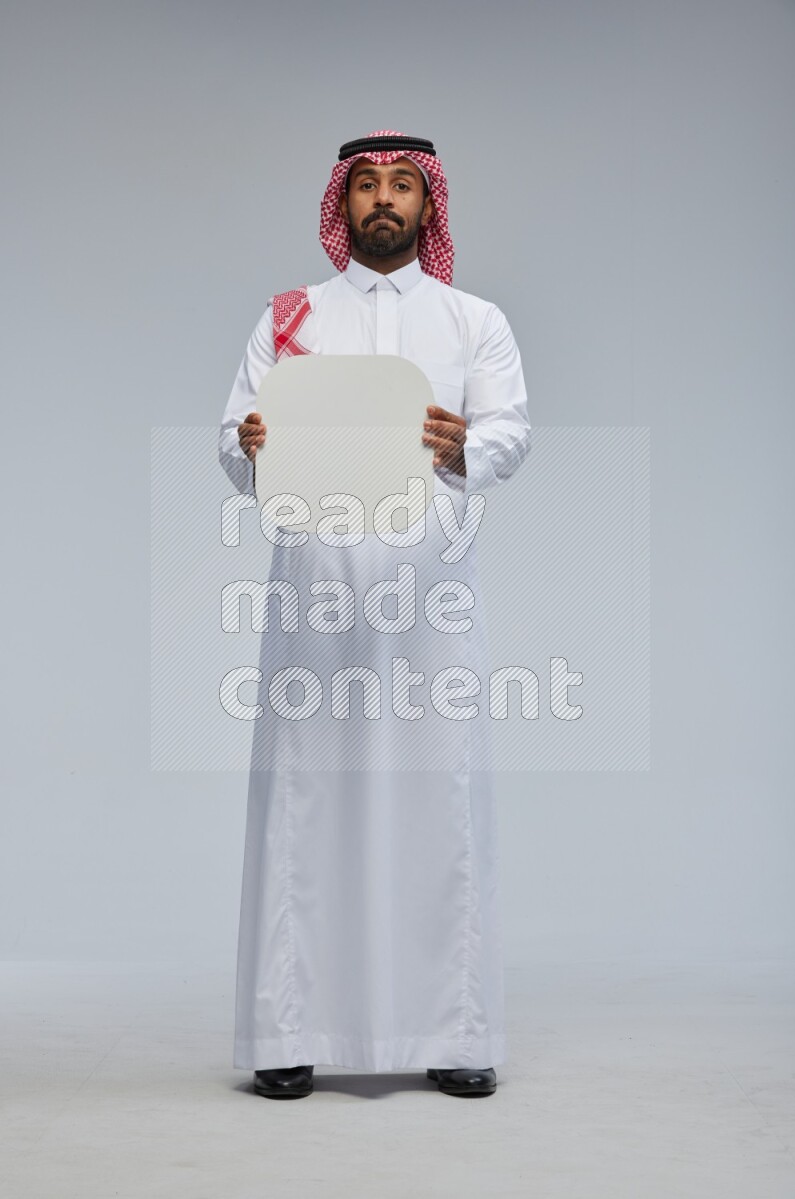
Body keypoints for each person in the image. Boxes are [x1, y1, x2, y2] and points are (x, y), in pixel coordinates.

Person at [218, 130, 531, 1099]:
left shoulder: (473, 320)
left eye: (402, 185)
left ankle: (453, 1027)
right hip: (314, 593)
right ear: (340, 204)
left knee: (436, 793)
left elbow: (511, 430)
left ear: (427, 204)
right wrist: (252, 442)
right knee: (309, 799)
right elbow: (234, 438)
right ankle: (289, 1028)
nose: (383, 200)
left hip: (426, 595)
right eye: (366, 186)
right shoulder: (288, 318)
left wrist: (462, 443)